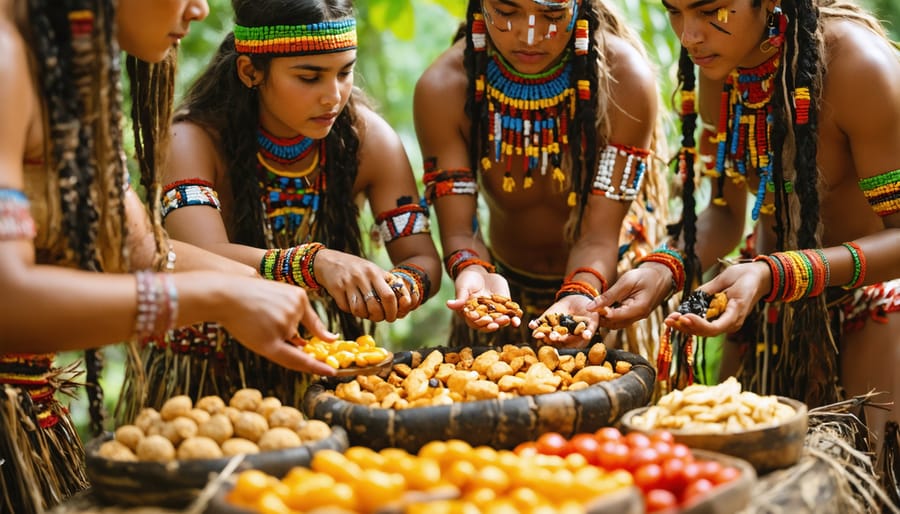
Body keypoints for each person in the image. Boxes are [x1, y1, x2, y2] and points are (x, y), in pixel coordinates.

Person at [0, 0, 341, 512]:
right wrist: (217, 296)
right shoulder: (6, 59)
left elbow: (142, 251)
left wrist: (288, 277)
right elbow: (7, 301)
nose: (201, 9)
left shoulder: (63, 65)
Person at [591, 0, 900, 445]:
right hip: (760, 307)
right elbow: (725, 214)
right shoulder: (725, 65)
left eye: (709, 10)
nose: (688, 35)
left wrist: (776, 272)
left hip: (869, 309)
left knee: (859, 482)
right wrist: (663, 269)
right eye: (675, 12)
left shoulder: (857, 67)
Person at [125, 0, 442, 411]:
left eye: (345, 72)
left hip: (320, 373)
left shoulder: (368, 140)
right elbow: (204, 255)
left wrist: (399, 288)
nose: (334, 96)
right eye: (309, 77)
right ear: (250, 71)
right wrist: (314, 263)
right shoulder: (192, 140)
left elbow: (421, 258)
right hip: (198, 380)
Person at [414, 0, 668, 351]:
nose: (528, 35)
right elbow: (459, 229)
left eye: (550, 15)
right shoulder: (444, 88)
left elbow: (598, 236)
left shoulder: (626, 81)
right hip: (502, 297)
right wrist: (472, 269)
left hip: (608, 293)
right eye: (507, 12)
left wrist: (584, 294)